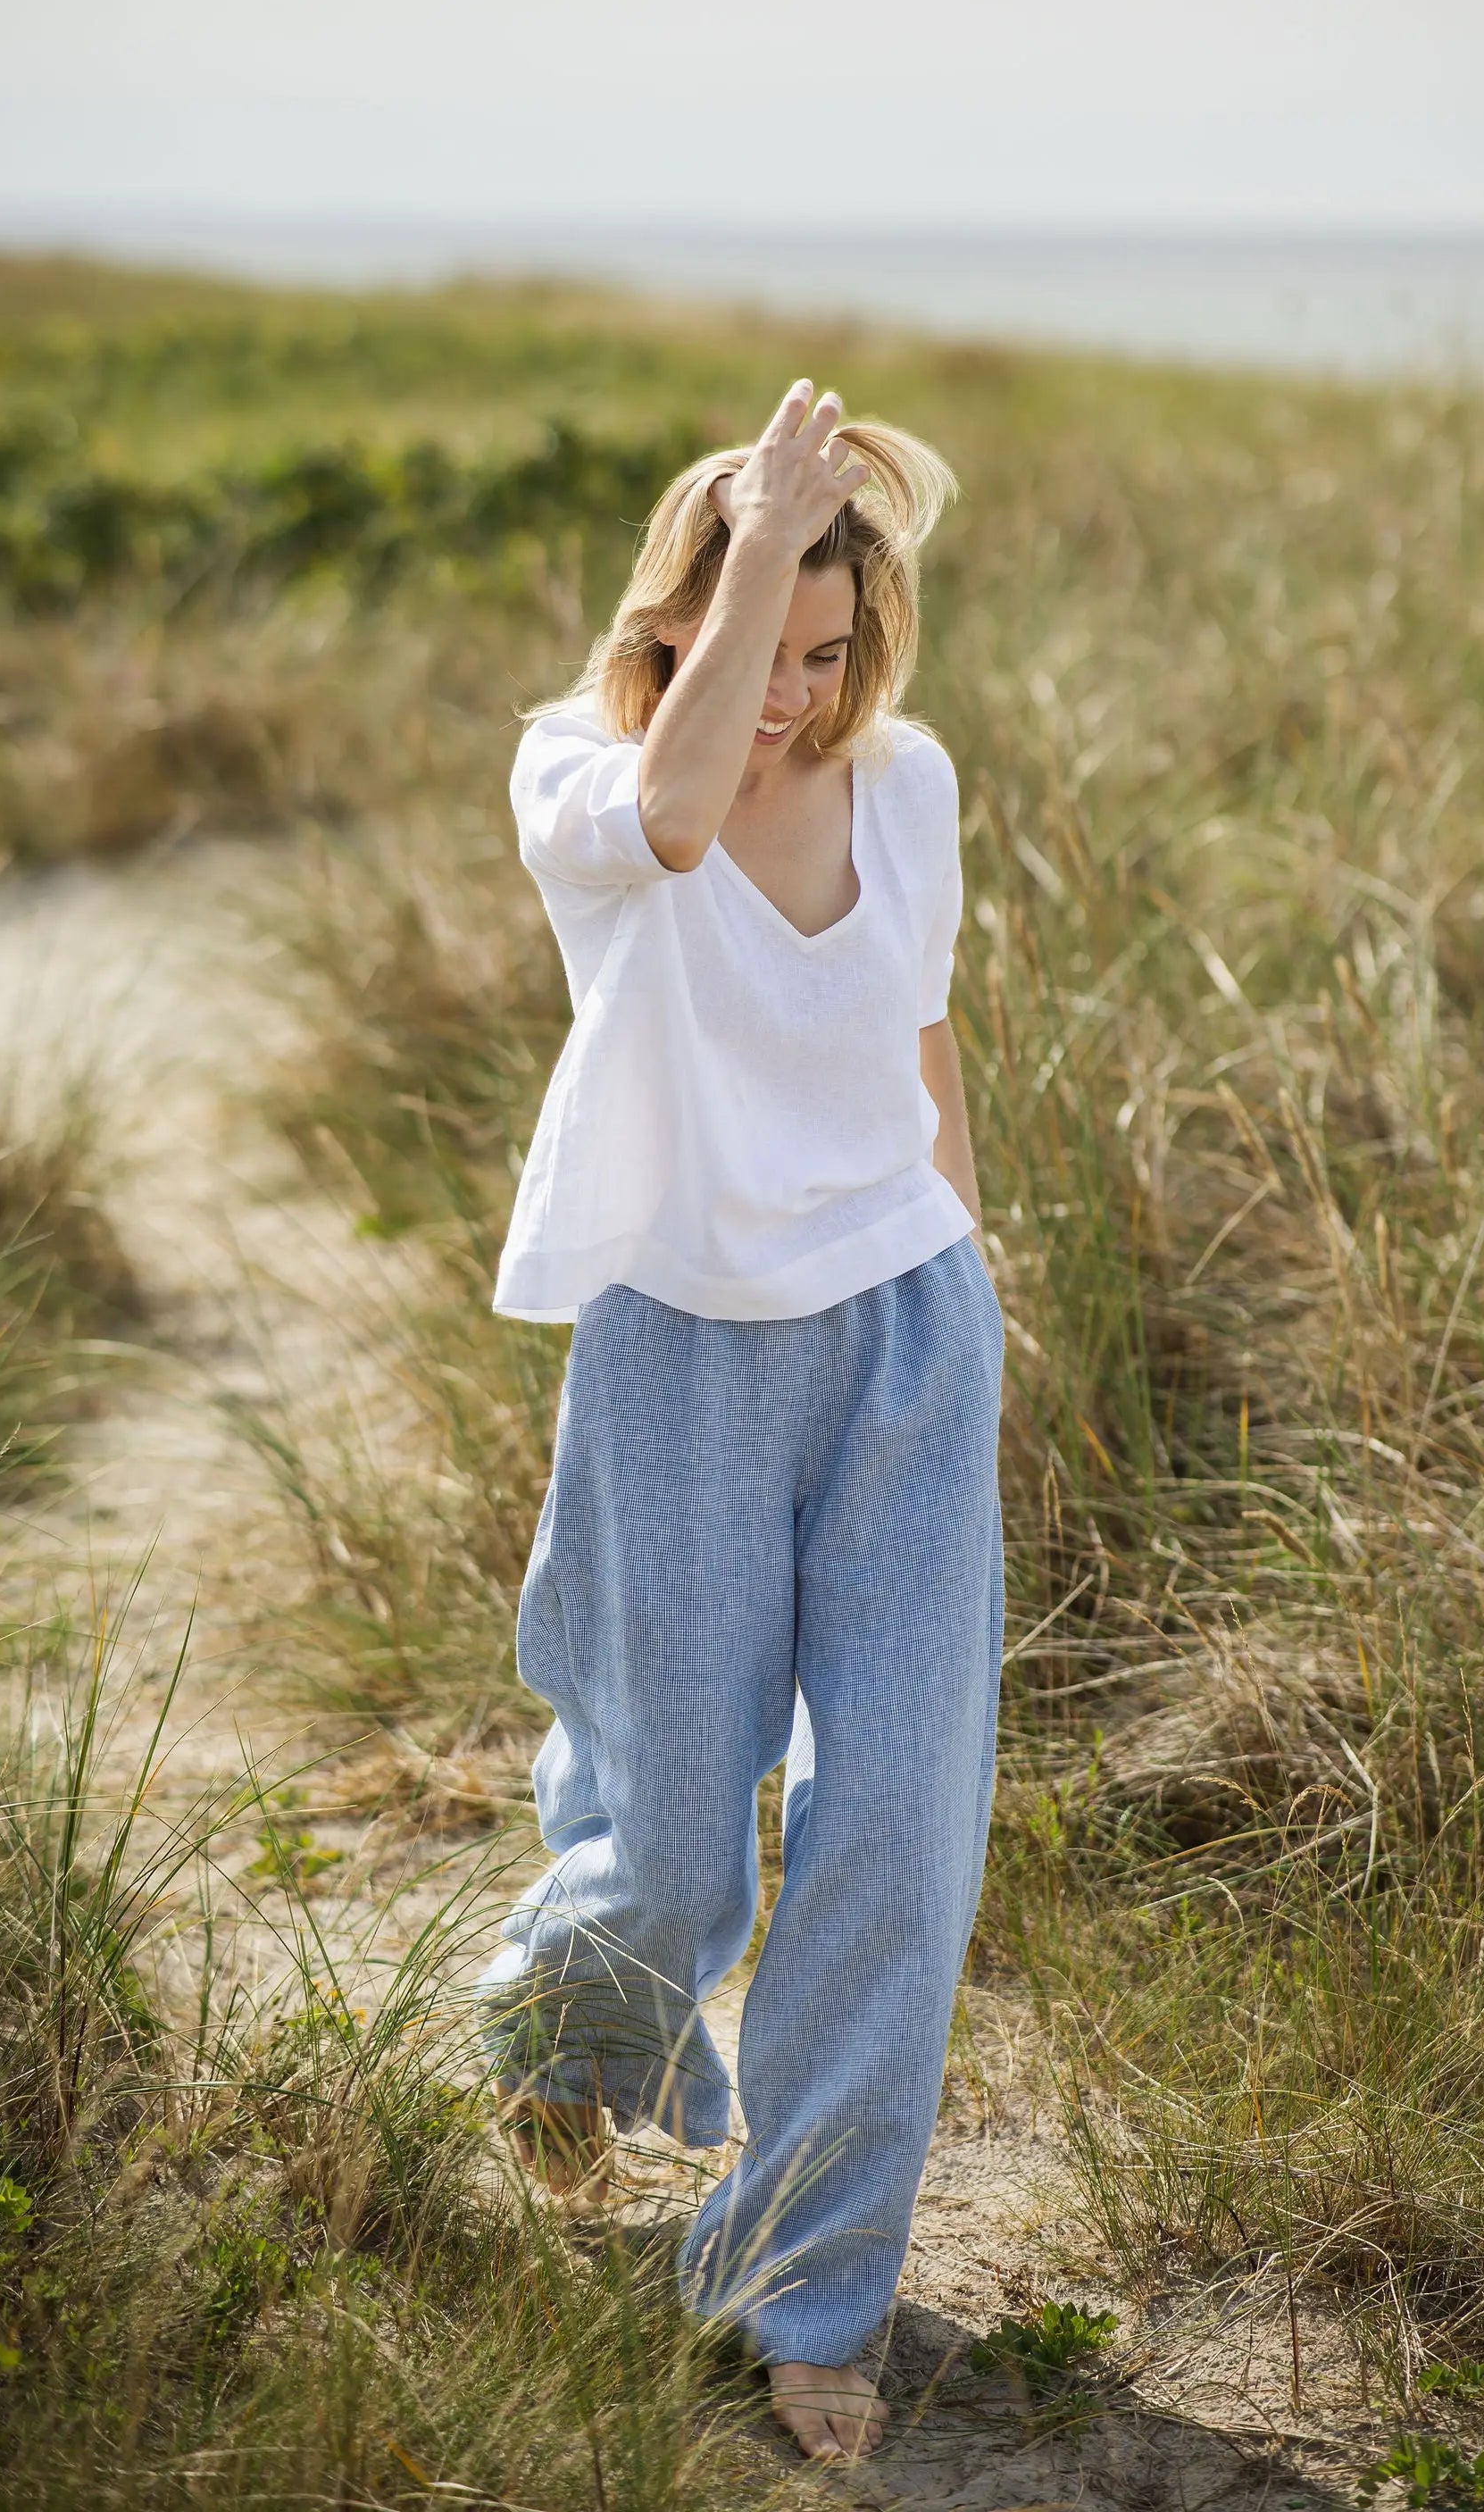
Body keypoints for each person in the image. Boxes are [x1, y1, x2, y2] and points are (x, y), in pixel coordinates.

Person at [479, 381, 1005, 2463]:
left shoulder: (912, 778)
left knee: (896, 1822)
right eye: (759, 642)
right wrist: (763, 543)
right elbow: (680, 820)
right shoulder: (579, 772)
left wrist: (973, 1286)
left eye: (825, 655)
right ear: (677, 616)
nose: (794, 697)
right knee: (675, 1826)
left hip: (905, 1332)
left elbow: (922, 1031)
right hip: (679, 1346)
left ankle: (810, 2284)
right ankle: (569, 2032)